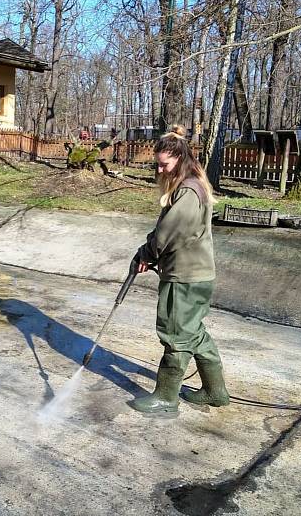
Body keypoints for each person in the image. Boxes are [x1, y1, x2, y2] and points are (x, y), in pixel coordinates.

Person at [130, 124, 229, 414]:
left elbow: (167, 235)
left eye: (164, 165)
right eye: (157, 165)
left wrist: (146, 253)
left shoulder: (188, 191)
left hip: (185, 278)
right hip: (196, 274)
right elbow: (165, 228)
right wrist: (150, 249)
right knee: (193, 332)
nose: (160, 171)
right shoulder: (191, 185)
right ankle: (215, 390)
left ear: (180, 159)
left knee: (176, 334)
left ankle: (166, 397)